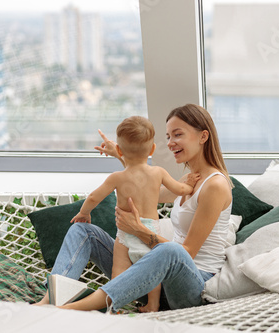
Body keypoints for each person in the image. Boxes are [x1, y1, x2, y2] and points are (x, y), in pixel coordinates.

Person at [34, 104, 233, 313]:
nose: (171, 143)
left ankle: (74, 310)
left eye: (178, 134)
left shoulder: (215, 186)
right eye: (167, 137)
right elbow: (144, 186)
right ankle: (51, 299)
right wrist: (122, 154)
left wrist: (138, 229)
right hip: (154, 278)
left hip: (191, 286)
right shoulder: (188, 181)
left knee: (171, 249)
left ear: (203, 136)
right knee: (83, 231)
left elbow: (187, 253)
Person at [69, 116, 200, 312]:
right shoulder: (158, 172)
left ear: (120, 151)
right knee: (153, 271)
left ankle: (114, 305)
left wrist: (84, 213)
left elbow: (94, 197)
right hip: (149, 231)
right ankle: (153, 305)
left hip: (125, 233)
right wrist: (189, 185)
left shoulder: (117, 177)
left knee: (119, 269)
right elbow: (179, 189)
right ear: (153, 149)